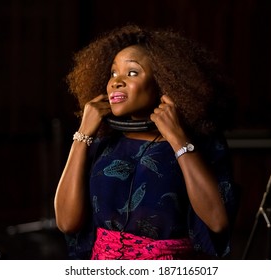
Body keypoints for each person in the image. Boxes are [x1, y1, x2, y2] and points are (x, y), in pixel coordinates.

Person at [54, 24, 238, 260]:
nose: (116, 82)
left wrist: (177, 137)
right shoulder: (101, 141)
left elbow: (218, 221)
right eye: (113, 73)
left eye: (132, 73)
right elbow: (67, 222)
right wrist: (81, 136)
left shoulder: (200, 143)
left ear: (163, 82)